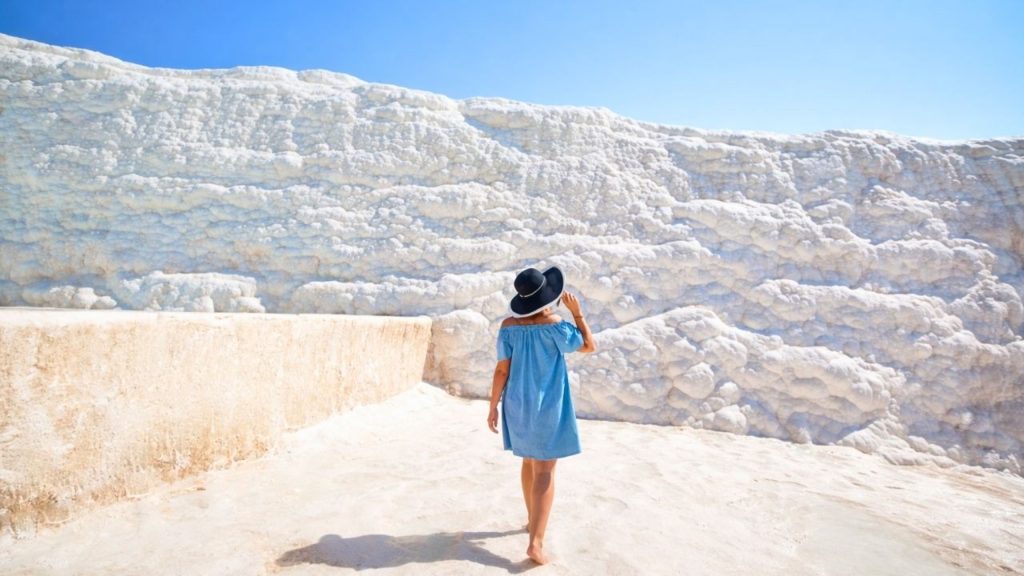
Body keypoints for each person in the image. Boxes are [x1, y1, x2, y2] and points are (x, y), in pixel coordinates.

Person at [486, 266, 597, 565]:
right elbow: (589, 346)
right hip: (547, 404)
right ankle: (535, 542)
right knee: (545, 470)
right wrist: (578, 314)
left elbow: (501, 369)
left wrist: (492, 406)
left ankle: (531, 519)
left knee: (528, 460)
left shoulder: (508, 327)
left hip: (517, 403)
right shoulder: (555, 325)